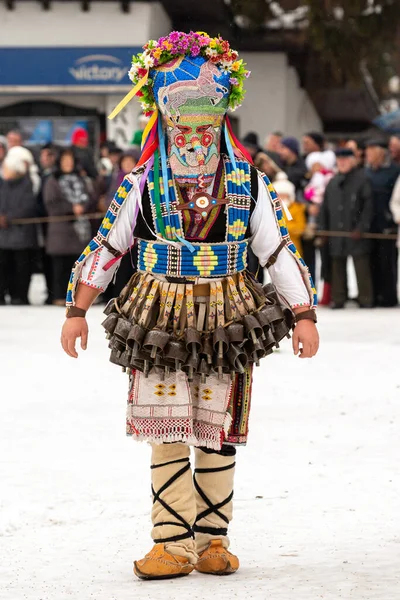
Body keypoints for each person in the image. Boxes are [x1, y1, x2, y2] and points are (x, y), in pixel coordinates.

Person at [61, 31, 319, 581]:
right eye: (183, 123)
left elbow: (275, 249)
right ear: (165, 122)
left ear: (221, 120)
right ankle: (171, 542)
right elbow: (110, 245)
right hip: (159, 314)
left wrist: (303, 314)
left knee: (219, 424)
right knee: (166, 423)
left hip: (231, 313)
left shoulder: (248, 182)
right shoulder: (140, 183)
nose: (195, 136)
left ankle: (213, 540)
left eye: (206, 123)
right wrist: (76, 309)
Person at [319, 148, 374, 308]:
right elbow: (324, 209)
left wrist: (362, 228)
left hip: (356, 231)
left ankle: (366, 298)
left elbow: (368, 207)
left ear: (352, 161)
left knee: (361, 265)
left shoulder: (362, 180)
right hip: (336, 231)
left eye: (345, 160)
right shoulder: (333, 182)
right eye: (339, 160)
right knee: (337, 264)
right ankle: (338, 298)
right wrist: (323, 230)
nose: (342, 163)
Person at [43, 148, 93, 305]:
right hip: (60, 230)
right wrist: (71, 208)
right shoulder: (52, 181)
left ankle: (76, 296)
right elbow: (50, 203)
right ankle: (58, 296)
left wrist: (82, 207)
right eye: (65, 160)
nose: (68, 163)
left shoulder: (81, 180)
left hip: (80, 230)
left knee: (77, 265)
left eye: (70, 160)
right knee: (60, 266)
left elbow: (89, 198)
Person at [365, 139, 399, 307]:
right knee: (372, 261)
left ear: (380, 152)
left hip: (387, 223)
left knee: (387, 262)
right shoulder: (366, 172)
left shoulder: (393, 171)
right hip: (369, 223)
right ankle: (374, 295)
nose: (368, 155)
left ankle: (388, 296)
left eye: (371, 151)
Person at [0, 151, 37, 305]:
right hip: (4, 235)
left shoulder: (28, 183)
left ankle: (20, 296)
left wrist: (8, 218)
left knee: (21, 269)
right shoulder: (3, 184)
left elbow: (28, 207)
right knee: (3, 268)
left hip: (22, 235)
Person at [274, 173, 306, 255]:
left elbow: (300, 228)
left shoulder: (297, 208)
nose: (281, 197)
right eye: (279, 195)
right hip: (274, 248)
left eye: (284, 194)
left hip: (293, 248)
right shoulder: (271, 209)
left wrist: (282, 228)